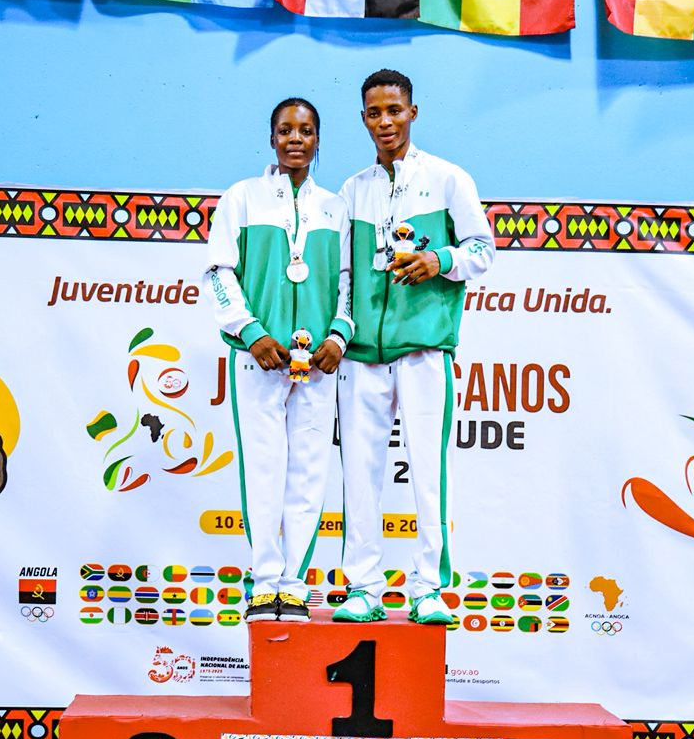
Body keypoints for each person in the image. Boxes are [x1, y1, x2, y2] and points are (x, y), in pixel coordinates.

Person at [333, 69, 495, 625]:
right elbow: (346, 277)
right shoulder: (353, 190)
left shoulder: (448, 179)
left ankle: (430, 587)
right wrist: (341, 331)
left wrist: (440, 260)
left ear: (413, 112)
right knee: (360, 471)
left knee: (428, 470)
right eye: (375, 113)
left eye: (394, 111)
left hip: (424, 349)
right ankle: (363, 587)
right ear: (364, 119)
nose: (385, 122)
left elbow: (483, 249)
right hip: (361, 357)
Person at [203, 97, 353, 623]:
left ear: (317, 140)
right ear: (271, 138)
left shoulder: (336, 209)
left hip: (317, 364)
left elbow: (348, 283)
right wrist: (249, 332)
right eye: (286, 130)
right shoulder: (241, 199)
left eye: (307, 130)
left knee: (310, 472)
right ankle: (264, 582)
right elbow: (219, 273)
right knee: (264, 469)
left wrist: (339, 334)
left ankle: (293, 584)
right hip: (259, 359)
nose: (296, 139)